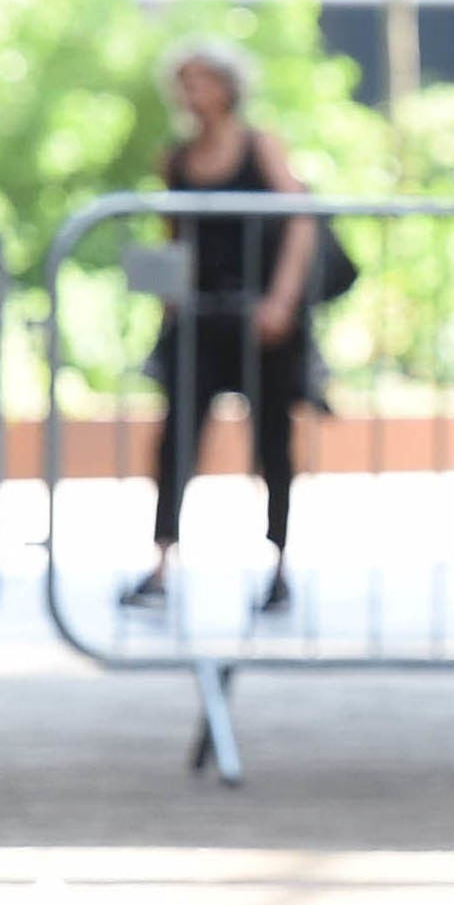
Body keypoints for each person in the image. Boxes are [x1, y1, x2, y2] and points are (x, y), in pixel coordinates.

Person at [126, 39, 318, 616]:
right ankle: (162, 562)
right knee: (176, 439)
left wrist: (281, 300)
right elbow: (175, 236)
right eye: (184, 82)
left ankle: (278, 564)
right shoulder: (177, 158)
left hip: (262, 318)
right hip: (200, 319)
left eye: (202, 80)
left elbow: (300, 221)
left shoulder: (260, 147)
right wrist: (168, 300)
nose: (192, 93)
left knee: (273, 444)